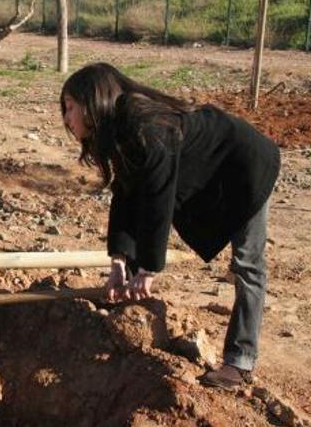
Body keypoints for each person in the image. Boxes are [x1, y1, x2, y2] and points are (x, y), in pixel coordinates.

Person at [59, 63, 280, 389]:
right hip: (211, 173)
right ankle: (135, 296)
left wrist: (148, 268)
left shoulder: (145, 125)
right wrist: (119, 263)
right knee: (145, 231)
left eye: (70, 108)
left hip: (247, 165)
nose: (66, 118)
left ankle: (240, 363)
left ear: (92, 103)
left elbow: (157, 199)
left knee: (247, 265)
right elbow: (126, 194)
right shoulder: (118, 127)